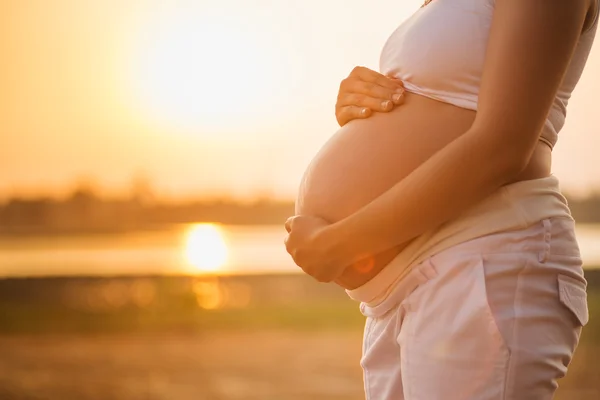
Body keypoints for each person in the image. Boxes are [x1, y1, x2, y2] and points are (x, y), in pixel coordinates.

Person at [284, 0, 598, 399]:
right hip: (408, 283)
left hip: (486, 258)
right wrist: (361, 105)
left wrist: (340, 243)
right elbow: (442, 104)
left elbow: (502, 147)